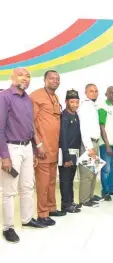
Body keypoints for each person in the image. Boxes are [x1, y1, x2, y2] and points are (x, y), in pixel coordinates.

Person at [0, 68, 46, 243]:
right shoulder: (4, 97)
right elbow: (0, 129)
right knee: (9, 190)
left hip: (27, 148)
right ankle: (8, 227)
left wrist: (35, 148)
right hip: (11, 149)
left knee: (27, 186)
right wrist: (4, 156)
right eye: (21, 75)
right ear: (11, 78)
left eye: (28, 76)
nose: (25, 78)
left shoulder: (27, 99)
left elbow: (30, 126)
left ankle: (27, 219)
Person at [31, 70, 66, 226]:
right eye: (52, 78)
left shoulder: (55, 97)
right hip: (42, 149)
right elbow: (30, 122)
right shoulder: (36, 96)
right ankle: (42, 214)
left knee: (52, 181)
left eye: (57, 79)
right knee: (43, 183)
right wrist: (38, 144)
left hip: (54, 148)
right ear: (44, 80)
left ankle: (51, 208)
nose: (55, 81)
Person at [77, 83, 103, 207]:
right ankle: (84, 199)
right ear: (86, 93)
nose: (94, 93)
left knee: (94, 172)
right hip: (88, 144)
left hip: (95, 142)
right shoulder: (84, 107)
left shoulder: (93, 106)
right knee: (87, 174)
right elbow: (83, 129)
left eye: (96, 91)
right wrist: (89, 148)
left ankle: (90, 196)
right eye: (91, 91)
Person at [58, 89, 82, 213]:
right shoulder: (64, 116)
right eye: (72, 102)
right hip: (66, 153)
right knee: (65, 180)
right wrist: (66, 157)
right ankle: (65, 205)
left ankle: (70, 201)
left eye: (77, 102)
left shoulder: (75, 115)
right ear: (66, 102)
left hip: (75, 152)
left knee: (71, 179)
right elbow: (63, 137)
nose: (75, 105)